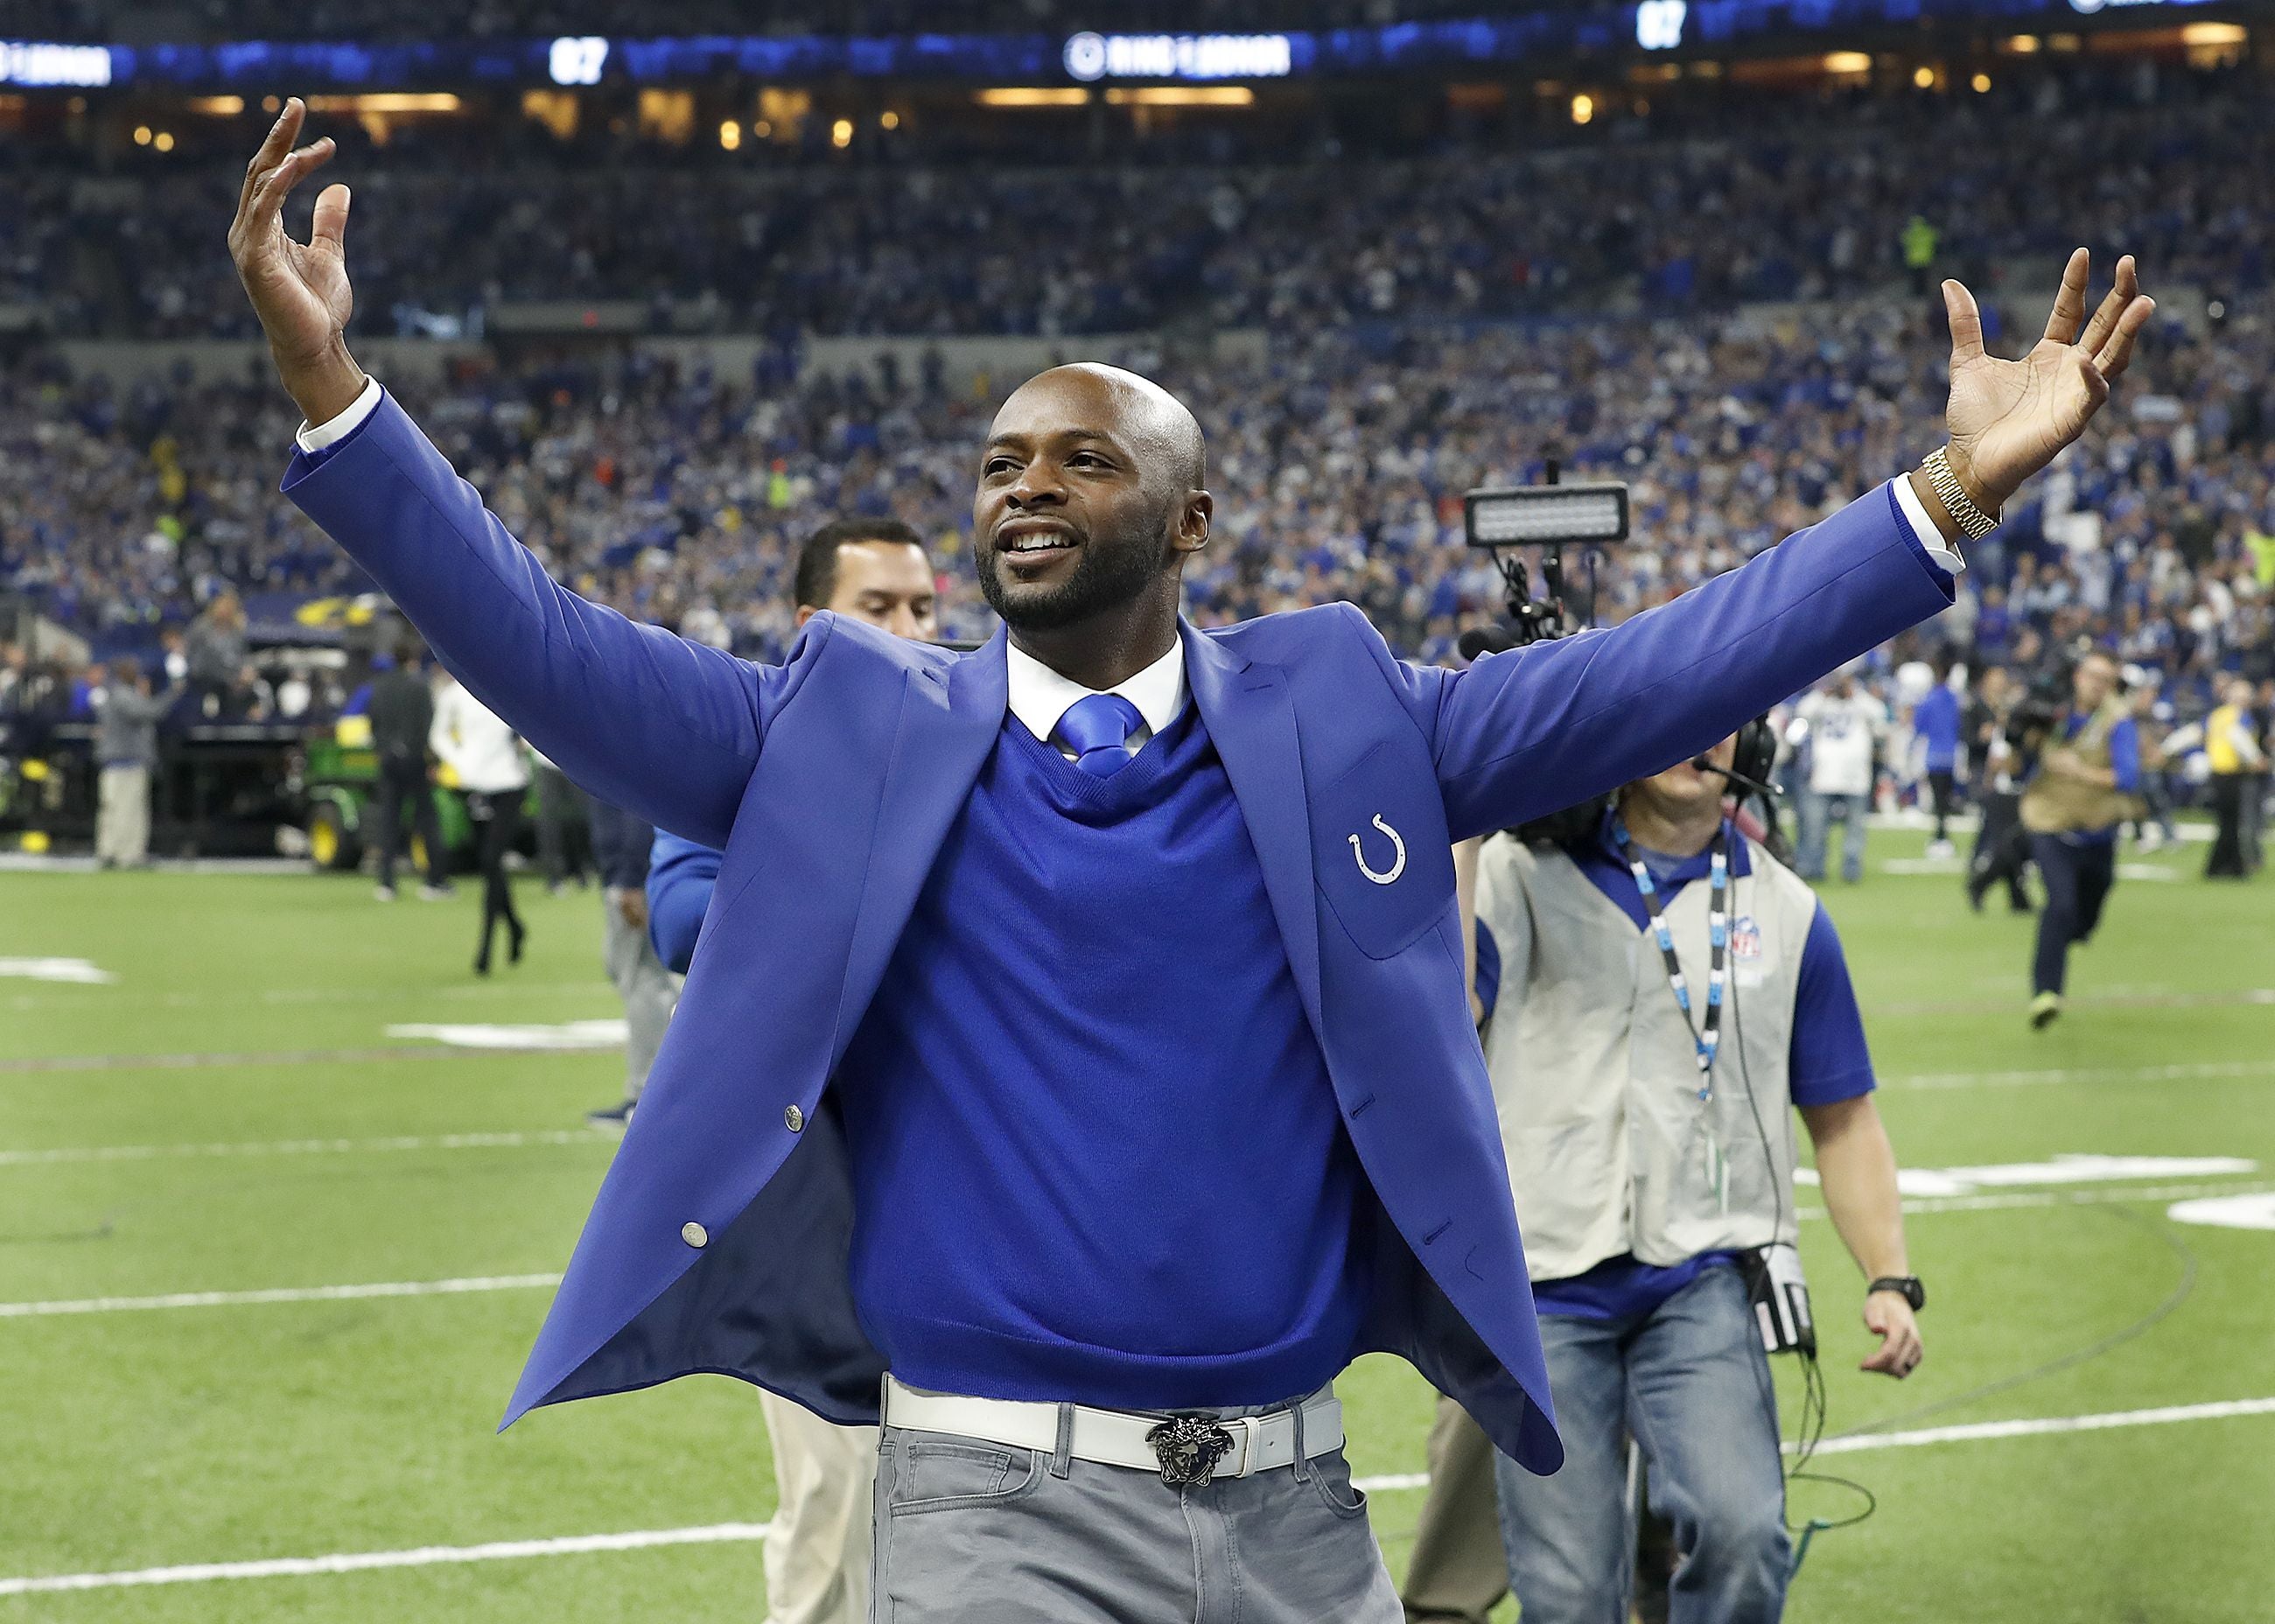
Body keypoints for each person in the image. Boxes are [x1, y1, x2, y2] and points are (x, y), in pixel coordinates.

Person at [234, 100, 2147, 1619]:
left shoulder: (1350, 719)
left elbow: (1664, 668)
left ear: (1194, 514)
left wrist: (1948, 491)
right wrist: (344, 403)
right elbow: (538, 641)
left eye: (1077, 460)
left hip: (1294, 1513)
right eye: (998, 463)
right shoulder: (839, 723)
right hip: (985, 1506)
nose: (1021, 486)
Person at [1439, 732, 1923, 1624]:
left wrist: (1888, 1278)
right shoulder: (1513, 872)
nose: (1698, 733)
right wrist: (1466, 817)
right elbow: (1443, 1012)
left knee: (1742, 1536)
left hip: (1699, 1278)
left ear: (1755, 745)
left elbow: (1843, 1116)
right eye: (1674, 711)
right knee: (1566, 1593)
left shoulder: (1786, 910)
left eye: (1723, 716)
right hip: (1537, 1282)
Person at [645, 514, 937, 1624]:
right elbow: (678, 915)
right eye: (880, 608)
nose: (911, 628)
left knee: (965, 1508)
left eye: (922, 607)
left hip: (951, 1183)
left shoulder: (968, 740)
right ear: (813, 624)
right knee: (830, 1497)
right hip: (809, 1187)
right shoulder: (753, 743)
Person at [2017, 649, 2141, 1026]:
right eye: (2091, 675)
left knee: (2088, 911)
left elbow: (2128, 778)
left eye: (2105, 679)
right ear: (2077, 677)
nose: (2095, 684)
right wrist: (2019, 737)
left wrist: (2079, 771)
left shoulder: (2118, 724)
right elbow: (2021, 761)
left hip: (2097, 830)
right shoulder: (2053, 714)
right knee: (2060, 905)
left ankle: (2067, 936)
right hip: (2050, 822)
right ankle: (2045, 993)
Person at [584, 795, 679, 1132]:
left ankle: (645, 1093)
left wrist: (629, 877)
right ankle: (653, 1090)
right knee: (633, 972)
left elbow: (638, 809)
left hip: (635, 876)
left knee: (639, 979)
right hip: (633, 872)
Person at [429, 668, 530, 975]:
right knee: (490, 865)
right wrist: (460, 761)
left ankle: (486, 947)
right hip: (476, 787)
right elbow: (438, 735)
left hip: (510, 784)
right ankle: (514, 926)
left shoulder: (502, 684)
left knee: (490, 860)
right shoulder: (453, 695)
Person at [367, 645, 451, 901]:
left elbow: (373, 721)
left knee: (389, 820)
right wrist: (429, 758)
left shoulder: (380, 686)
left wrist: (383, 748)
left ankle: (387, 883)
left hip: (388, 760)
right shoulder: (419, 685)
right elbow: (429, 724)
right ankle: (435, 880)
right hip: (415, 760)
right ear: (412, 660)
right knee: (426, 819)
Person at [1792, 668, 1887, 884]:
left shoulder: (1862, 703)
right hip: (1823, 774)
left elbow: (1880, 714)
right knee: (1815, 827)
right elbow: (1802, 712)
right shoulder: (1820, 702)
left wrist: (1856, 694)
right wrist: (1822, 694)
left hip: (1855, 777)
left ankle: (1851, 869)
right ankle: (1814, 867)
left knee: (1855, 829)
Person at [93, 657, 179, 868]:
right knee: (127, 810)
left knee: (114, 808)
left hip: (117, 761)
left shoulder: (113, 694)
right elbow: (150, 713)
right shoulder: (124, 695)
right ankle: (128, 855)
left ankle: (110, 851)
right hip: (126, 761)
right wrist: (172, 693)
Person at [1964, 665, 2033, 913]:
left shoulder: (2010, 713)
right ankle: (1985, 884)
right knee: (2007, 841)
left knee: (2011, 841)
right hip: (1996, 783)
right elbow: (1973, 745)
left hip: (2013, 782)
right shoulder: (1978, 709)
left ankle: (2011, 894)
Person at [2203, 676, 2266, 878]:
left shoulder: (2217, 715)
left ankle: (2226, 865)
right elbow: (2238, 737)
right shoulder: (2239, 716)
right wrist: (2256, 758)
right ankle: (2228, 867)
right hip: (2233, 774)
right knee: (2233, 822)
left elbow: (2197, 733)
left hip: (2217, 774)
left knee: (2227, 822)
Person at [1912, 664, 1963, 858]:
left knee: (1937, 798)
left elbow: (1919, 727)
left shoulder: (1928, 700)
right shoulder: (1954, 699)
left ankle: (1940, 836)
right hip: (1951, 755)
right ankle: (1942, 835)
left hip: (1933, 756)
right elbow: (1959, 724)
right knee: (1946, 799)